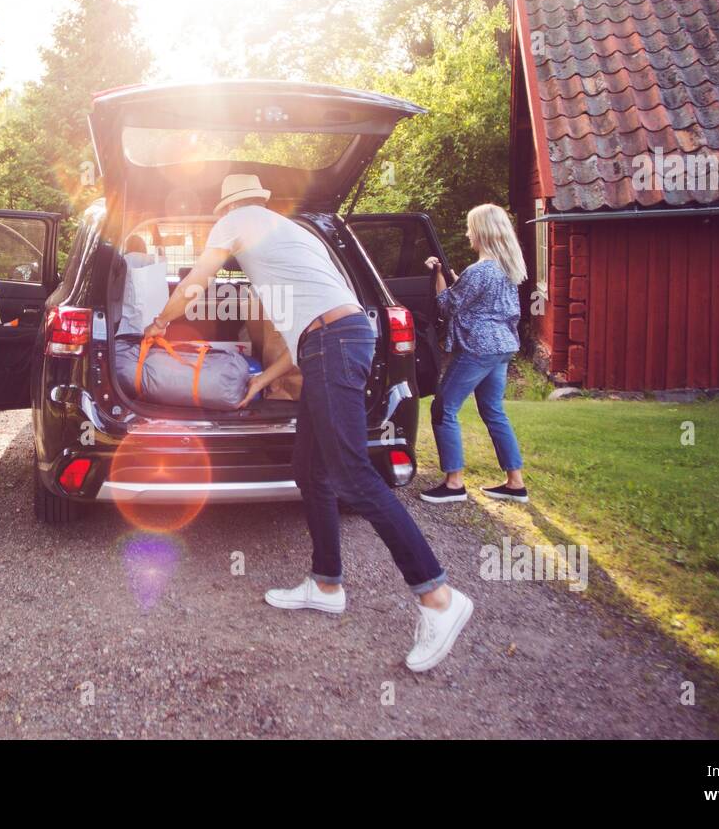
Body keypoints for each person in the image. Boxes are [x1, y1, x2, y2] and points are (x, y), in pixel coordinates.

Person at [144, 173, 474, 672]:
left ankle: (438, 596)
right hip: (336, 340)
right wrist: (266, 378)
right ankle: (325, 584)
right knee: (310, 469)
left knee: (352, 474)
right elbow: (310, 322)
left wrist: (160, 321)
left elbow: (195, 284)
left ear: (226, 209)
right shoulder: (294, 234)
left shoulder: (235, 222)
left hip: (334, 344)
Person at [421, 203, 530, 506]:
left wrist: (438, 275)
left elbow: (446, 305)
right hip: (503, 346)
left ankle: (454, 484)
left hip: (479, 348)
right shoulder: (507, 267)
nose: (468, 232)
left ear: (481, 230)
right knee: (493, 410)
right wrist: (454, 278)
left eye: (470, 227)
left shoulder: (480, 271)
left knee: (444, 407)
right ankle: (515, 483)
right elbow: (476, 301)